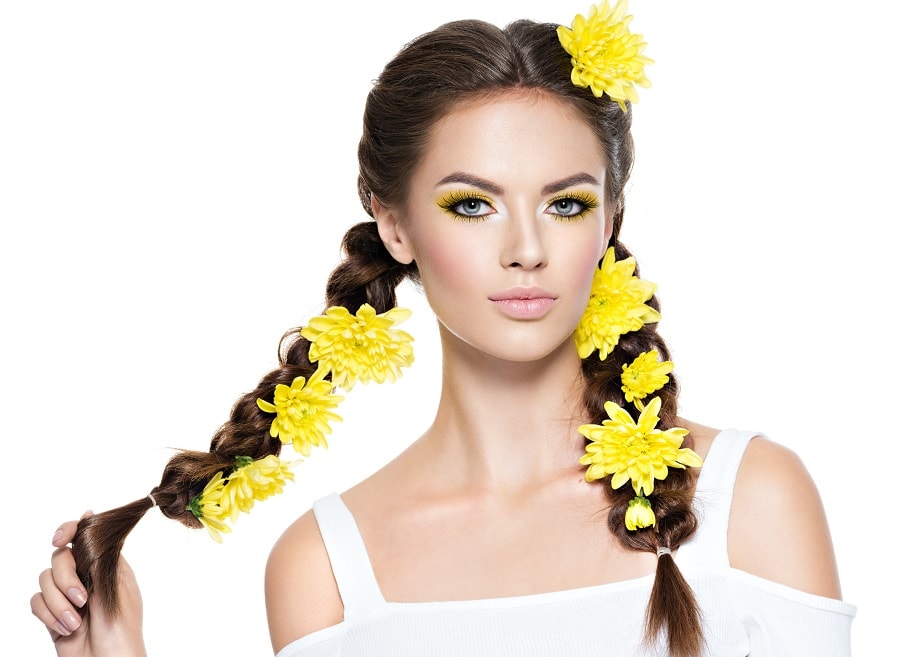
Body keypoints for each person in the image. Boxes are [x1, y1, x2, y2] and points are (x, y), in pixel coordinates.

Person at [30, 3, 856, 655]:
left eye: (565, 203)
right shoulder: (326, 566)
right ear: (394, 227)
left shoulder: (751, 499)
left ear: (608, 222)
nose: (526, 249)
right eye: (473, 204)